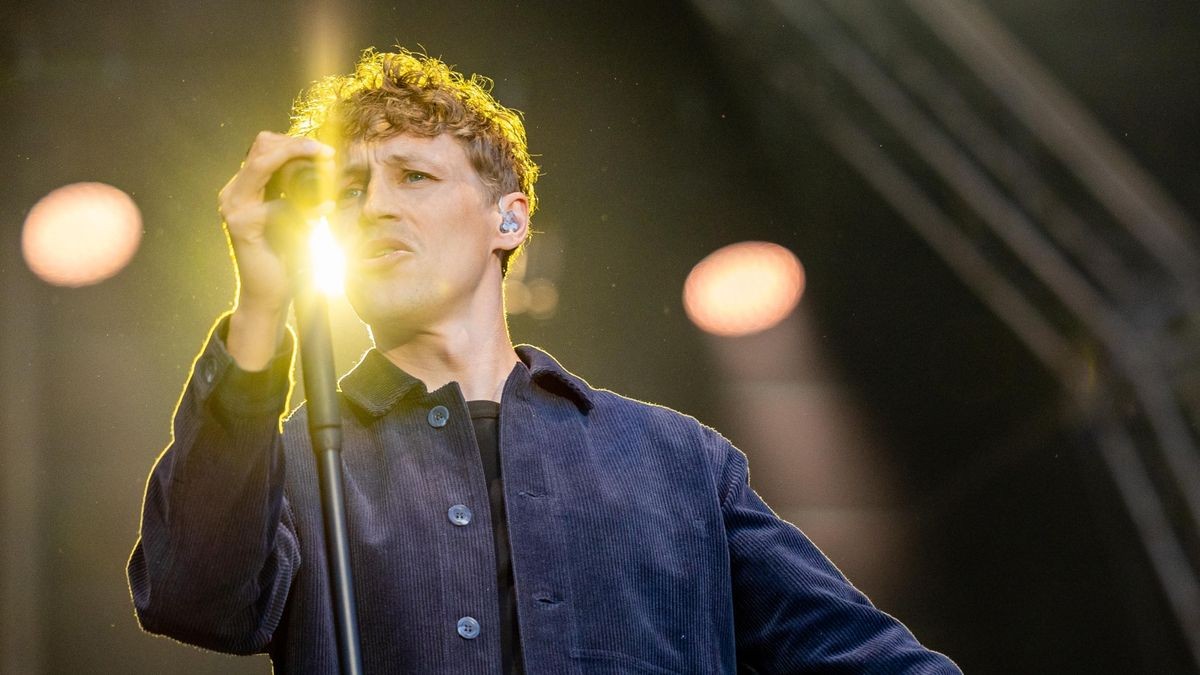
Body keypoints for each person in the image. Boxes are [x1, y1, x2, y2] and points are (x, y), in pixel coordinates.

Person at [128, 48, 960, 674]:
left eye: (413, 175)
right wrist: (262, 304)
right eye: (346, 191)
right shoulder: (298, 461)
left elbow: (870, 660)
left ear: (509, 220)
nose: (375, 205)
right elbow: (194, 598)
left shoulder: (679, 462)